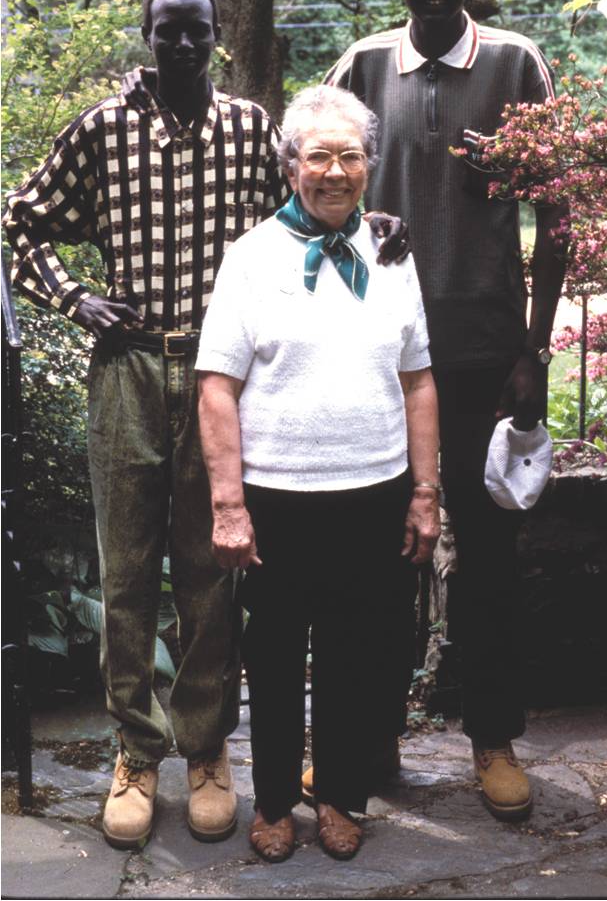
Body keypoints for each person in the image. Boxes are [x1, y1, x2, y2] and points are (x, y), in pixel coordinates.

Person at [4, 0, 289, 850]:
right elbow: (20, 223)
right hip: (127, 371)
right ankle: (136, 751)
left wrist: (376, 226)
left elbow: (306, 219)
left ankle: (206, 750)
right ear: (145, 32)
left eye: (196, 29)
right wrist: (77, 299)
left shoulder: (250, 130)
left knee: (211, 570)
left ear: (217, 38)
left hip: (216, 376)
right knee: (126, 574)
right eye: (165, 29)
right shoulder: (102, 131)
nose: (181, 43)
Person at [321, 0, 568, 821]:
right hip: (377, 360)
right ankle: (367, 737)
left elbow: (559, 215)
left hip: (478, 356)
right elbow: (320, 194)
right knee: (374, 557)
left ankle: (493, 740)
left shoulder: (515, 63)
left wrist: (533, 349)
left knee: (491, 556)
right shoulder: (361, 67)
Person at [196, 84, 440, 862]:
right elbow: (216, 386)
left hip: (373, 491)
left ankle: (339, 792)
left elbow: (419, 379)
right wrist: (228, 503)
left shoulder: (391, 253)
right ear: (289, 164)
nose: (335, 171)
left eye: (350, 155)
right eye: (318, 156)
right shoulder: (250, 257)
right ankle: (272, 799)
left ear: (369, 164)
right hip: (277, 496)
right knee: (270, 652)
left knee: (357, 651)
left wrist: (425, 491)